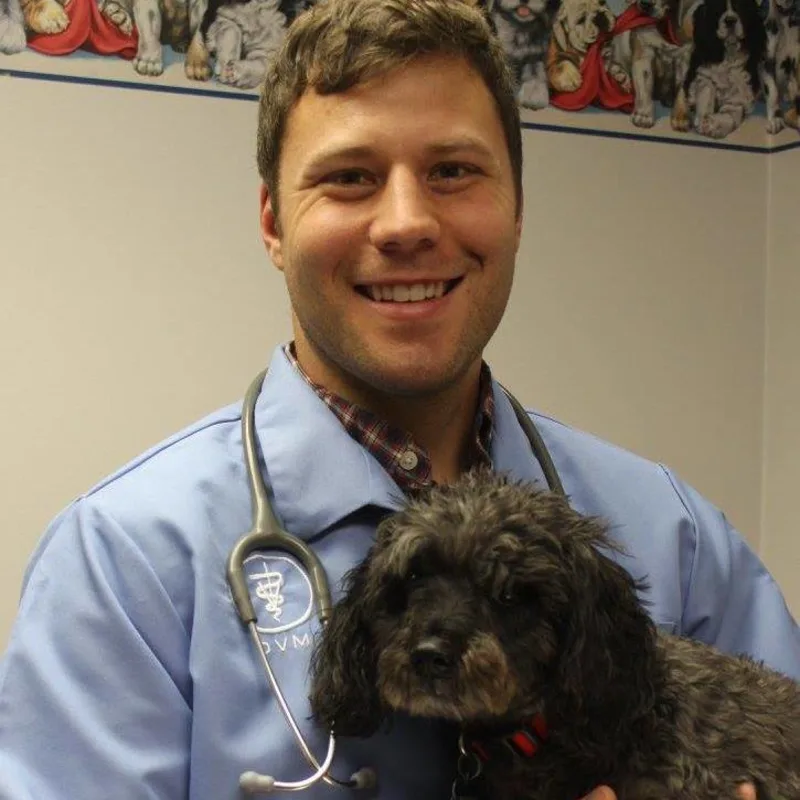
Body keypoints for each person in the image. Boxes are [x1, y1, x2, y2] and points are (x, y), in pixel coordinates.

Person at [0, 1, 797, 798]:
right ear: (274, 222)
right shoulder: (124, 563)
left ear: (516, 206)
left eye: (452, 171)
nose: (408, 223)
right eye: (350, 178)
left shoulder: (678, 539)